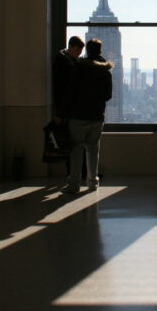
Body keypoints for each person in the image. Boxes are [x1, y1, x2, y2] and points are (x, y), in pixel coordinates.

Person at [62, 38, 112, 194]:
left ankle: (74, 184)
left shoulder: (78, 68)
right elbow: (108, 95)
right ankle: (92, 182)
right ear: (100, 51)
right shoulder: (105, 71)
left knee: (76, 150)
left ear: (87, 51)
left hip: (77, 115)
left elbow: (70, 91)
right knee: (93, 149)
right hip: (97, 115)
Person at [52, 36, 84, 182]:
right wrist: (60, 112)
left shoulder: (64, 59)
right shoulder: (65, 62)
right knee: (72, 143)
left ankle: (75, 173)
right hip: (69, 109)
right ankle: (76, 173)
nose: (79, 53)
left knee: (72, 143)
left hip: (68, 109)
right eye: (78, 50)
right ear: (72, 47)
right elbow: (61, 89)